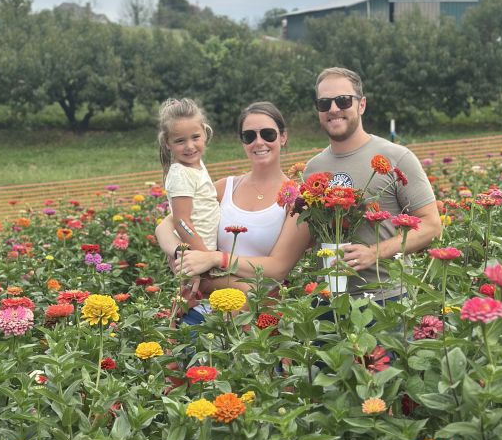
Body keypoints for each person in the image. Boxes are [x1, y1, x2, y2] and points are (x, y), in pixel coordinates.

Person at [172, 67, 441, 299]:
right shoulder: (312, 171)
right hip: (329, 300)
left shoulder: (397, 156)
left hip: (387, 295)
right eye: (324, 104)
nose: (334, 109)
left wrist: (374, 252)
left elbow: (431, 225)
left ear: (362, 104)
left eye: (343, 100)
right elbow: (177, 219)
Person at [155, 101, 294, 313]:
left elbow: (279, 268)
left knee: (252, 294)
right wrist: (182, 256)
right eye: (249, 136)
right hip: (206, 309)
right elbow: (167, 226)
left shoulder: (296, 198)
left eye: (268, 134)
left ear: (283, 137)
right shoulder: (224, 188)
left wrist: (213, 259)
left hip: (257, 316)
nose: (259, 142)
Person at [158, 97, 220, 254]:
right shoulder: (181, 174)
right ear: (167, 142)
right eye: (180, 141)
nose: (189, 146)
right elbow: (182, 222)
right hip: (199, 254)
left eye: (195, 137)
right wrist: (205, 255)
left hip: (207, 250)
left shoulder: (195, 166)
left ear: (204, 133)